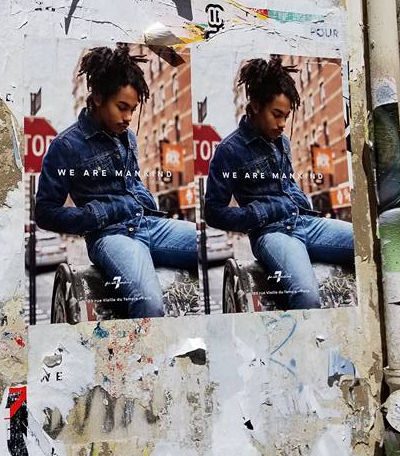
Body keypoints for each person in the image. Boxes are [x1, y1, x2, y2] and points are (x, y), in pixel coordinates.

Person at [35, 44, 197, 318]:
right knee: (149, 303)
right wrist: (95, 215)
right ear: (98, 97)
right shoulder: (66, 145)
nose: (128, 118)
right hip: (111, 237)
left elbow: (133, 183)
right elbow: (44, 212)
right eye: (122, 107)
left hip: (149, 224)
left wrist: (144, 199)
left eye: (133, 109)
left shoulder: (128, 138)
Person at [204, 57, 354, 309]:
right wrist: (259, 213)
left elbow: (287, 184)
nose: (282, 124)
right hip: (271, 234)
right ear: (255, 106)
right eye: (276, 114)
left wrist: (300, 201)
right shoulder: (229, 150)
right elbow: (213, 213)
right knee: (307, 295)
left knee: (368, 246)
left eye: (286, 116)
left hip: (305, 222)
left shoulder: (282, 142)